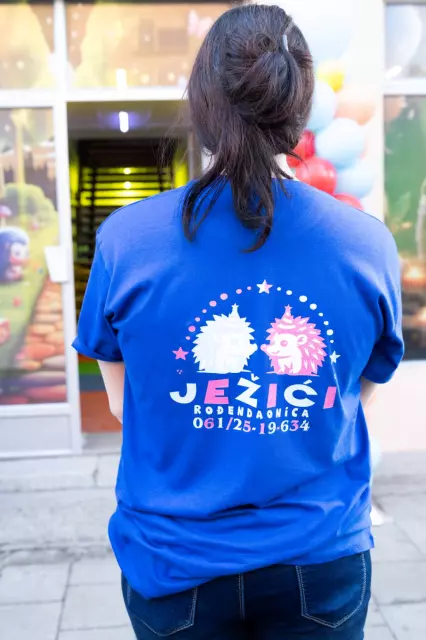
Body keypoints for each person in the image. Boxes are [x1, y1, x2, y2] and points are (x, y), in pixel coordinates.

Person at [73, 4, 403, 639]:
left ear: (202, 103)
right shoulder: (366, 246)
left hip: (175, 563)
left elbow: (121, 403)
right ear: (298, 108)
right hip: (319, 558)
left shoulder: (127, 241)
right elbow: (351, 395)